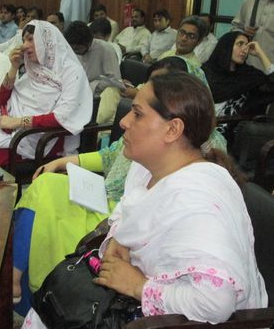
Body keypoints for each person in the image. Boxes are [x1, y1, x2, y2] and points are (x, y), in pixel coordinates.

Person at [22, 70, 267, 328]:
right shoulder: (148, 169)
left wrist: (139, 286)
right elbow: (131, 211)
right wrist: (118, 238)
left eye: (137, 114)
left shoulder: (196, 204)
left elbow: (215, 305)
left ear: (173, 129)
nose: (124, 122)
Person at [0, 20, 92, 167]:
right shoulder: (33, 70)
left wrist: (17, 122)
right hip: (12, 129)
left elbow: (62, 117)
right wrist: (13, 68)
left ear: (47, 41)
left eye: (31, 39)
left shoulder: (71, 72)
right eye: (24, 40)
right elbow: (1, 103)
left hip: (39, 139)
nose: (25, 45)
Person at [202, 31, 274, 119]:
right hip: (205, 125)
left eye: (247, 46)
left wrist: (260, 54)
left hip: (239, 128)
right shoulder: (206, 72)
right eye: (240, 44)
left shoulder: (249, 75)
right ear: (226, 46)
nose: (245, 50)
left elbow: (271, 88)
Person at [64, 21, 121, 124]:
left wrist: (93, 85)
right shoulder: (73, 50)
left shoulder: (105, 49)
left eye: (77, 48)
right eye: (72, 48)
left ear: (89, 42)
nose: (75, 51)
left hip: (98, 98)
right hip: (77, 95)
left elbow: (115, 81)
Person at [231, 0, 274, 71]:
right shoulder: (249, 1)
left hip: (270, 73)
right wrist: (243, 33)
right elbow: (234, 31)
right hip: (245, 69)